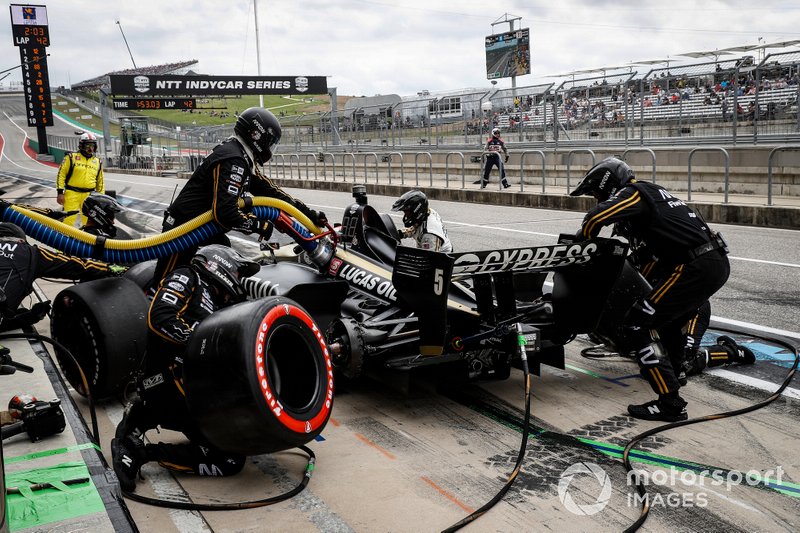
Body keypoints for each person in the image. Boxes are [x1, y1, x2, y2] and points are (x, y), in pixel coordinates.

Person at [571, 157, 730, 422]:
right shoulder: (656, 199)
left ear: (609, 185)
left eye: (598, 193)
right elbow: (645, 265)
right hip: (711, 263)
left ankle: (670, 403)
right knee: (666, 323)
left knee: (637, 325)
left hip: (695, 266)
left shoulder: (635, 192)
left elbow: (595, 217)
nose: (597, 199)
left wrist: (581, 243)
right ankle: (675, 373)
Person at [111, 244, 260, 491]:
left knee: (230, 461)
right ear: (219, 264)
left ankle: (142, 418)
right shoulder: (188, 276)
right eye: (237, 273)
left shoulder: (224, 303)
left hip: (200, 390)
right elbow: (160, 318)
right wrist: (202, 341)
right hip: (167, 379)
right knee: (229, 461)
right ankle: (142, 450)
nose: (238, 279)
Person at [153, 107, 327, 284]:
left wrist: (308, 214)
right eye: (270, 142)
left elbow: (273, 194)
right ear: (257, 136)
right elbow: (225, 212)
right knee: (166, 283)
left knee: (224, 257)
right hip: (182, 230)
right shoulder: (234, 158)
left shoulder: (240, 155)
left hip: (197, 229)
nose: (270, 148)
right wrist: (257, 225)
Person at [0, 222, 125, 332]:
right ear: (21, 240)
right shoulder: (31, 253)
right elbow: (76, 265)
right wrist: (107, 268)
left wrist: (29, 316)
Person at [56, 132, 104, 227]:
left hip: (89, 196)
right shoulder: (71, 158)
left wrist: (101, 198)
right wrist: (60, 193)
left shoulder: (98, 162)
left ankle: (86, 240)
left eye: (92, 145)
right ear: (81, 145)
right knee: (68, 220)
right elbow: (61, 175)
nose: (90, 148)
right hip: (72, 193)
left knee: (89, 222)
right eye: (87, 145)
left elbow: (100, 182)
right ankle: (65, 240)